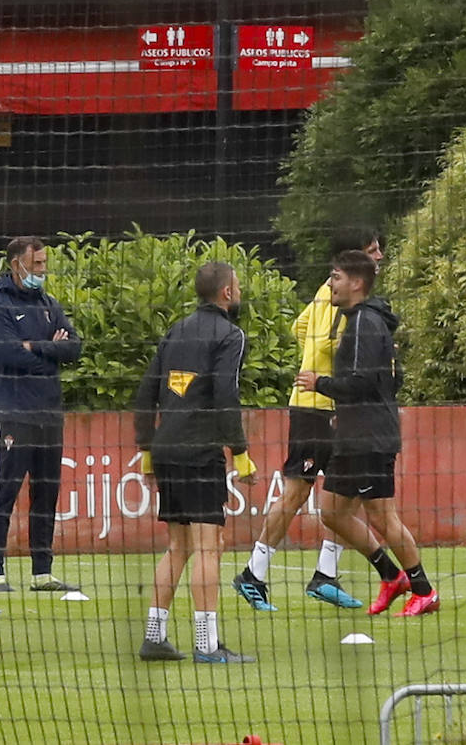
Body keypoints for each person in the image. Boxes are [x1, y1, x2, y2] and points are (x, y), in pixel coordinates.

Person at [233, 228, 388, 612]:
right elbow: (318, 339)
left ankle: (325, 575)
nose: (380, 256)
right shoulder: (333, 294)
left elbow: (298, 327)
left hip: (336, 407)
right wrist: (333, 360)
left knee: (344, 493)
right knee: (298, 491)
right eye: (372, 251)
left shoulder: (343, 296)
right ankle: (254, 574)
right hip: (315, 407)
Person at [296, 250, 439, 616]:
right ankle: (391, 576)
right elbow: (393, 379)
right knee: (332, 512)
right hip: (355, 434)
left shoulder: (363, 323)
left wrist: (320, 383)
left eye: (336, 276)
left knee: (382, 517)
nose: (331, 283)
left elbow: (359, 382)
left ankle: (423, 590)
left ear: (356, 283)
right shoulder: (366, 322)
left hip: (369, 439)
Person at [134, 261, 258, 663]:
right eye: (237, 285)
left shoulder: (176, 330)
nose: (239, 291)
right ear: (226, 293)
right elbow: (226, 394)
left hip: (167, 450)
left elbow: (145, 393)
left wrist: (147, 450)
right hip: (200, 451)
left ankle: (155, 636)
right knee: (209, 546)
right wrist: (239, 451)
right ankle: (207, 645)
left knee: (178, 545)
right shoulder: (230, 335)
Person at [0, 236, 83, 593]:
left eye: (43, 263)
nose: (42, 270)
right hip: (13, 415)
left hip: (49, 416)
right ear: (16, 265)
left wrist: (38, 347)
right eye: (36, 264)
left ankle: (42, 572)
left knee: (46, 496)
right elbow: (11, 355)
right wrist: (49, 354)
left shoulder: (49, 304)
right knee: (3, 493)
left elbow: (74, 346)